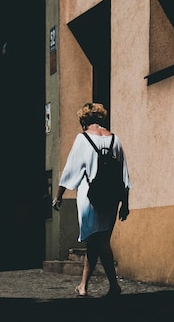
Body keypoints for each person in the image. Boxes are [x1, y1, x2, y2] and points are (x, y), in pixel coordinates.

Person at [52, 102, 132, 297]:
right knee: (96, 241)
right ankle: (83, 286)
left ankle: (114, 285)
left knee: (99, 240)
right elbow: (124, 175)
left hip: (91, 196)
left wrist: (58, 196)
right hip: (112, 197)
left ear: (84, 120)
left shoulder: (83, 139)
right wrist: (125, 204)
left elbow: (71, 169)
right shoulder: (116, 140)